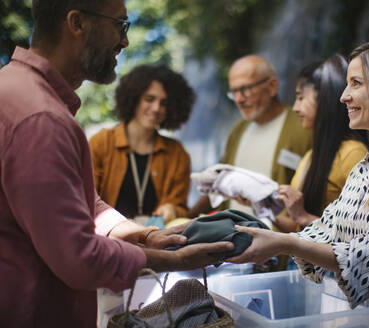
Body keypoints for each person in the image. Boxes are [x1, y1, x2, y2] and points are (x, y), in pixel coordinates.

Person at [0, 1, 233, 327]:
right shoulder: (42, 119)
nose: (125, 41)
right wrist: (174, 259)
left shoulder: (14, 88)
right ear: (77, 23)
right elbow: (78, 256)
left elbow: (78, 203)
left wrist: (143, 234)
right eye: (120, 25)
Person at [228, 40, 369, 327]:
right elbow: (326, 231)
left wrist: (284, 243)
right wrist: (248, 240)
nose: (343, 96)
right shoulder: (364, 169)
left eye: (355, 83)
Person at [188, 54, 312, 217]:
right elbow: (219, 182)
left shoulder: (303, 127)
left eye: (245, 90)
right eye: (234, 92)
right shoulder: (239, 129)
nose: (239, 99)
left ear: (272, 86)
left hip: (276, 237)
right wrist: (186, 217)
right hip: (231, 233)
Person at [89, 64, 194, 225]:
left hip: (158, 240)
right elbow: (86, 197)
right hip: (110, 240)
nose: (156, 108)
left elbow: (180, 207)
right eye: (149, 99)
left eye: (164, 103)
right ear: (134, 98)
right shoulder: (101, 143)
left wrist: (172, 209)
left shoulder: (177, 153)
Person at [275, 55, 368, 233]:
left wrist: (303, 216)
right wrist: (262, 208)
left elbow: (361, 237)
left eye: (301, 98)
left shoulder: (352, 153)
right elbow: (299, 230)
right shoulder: (310, 156)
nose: (295, 107)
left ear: (324, 100)